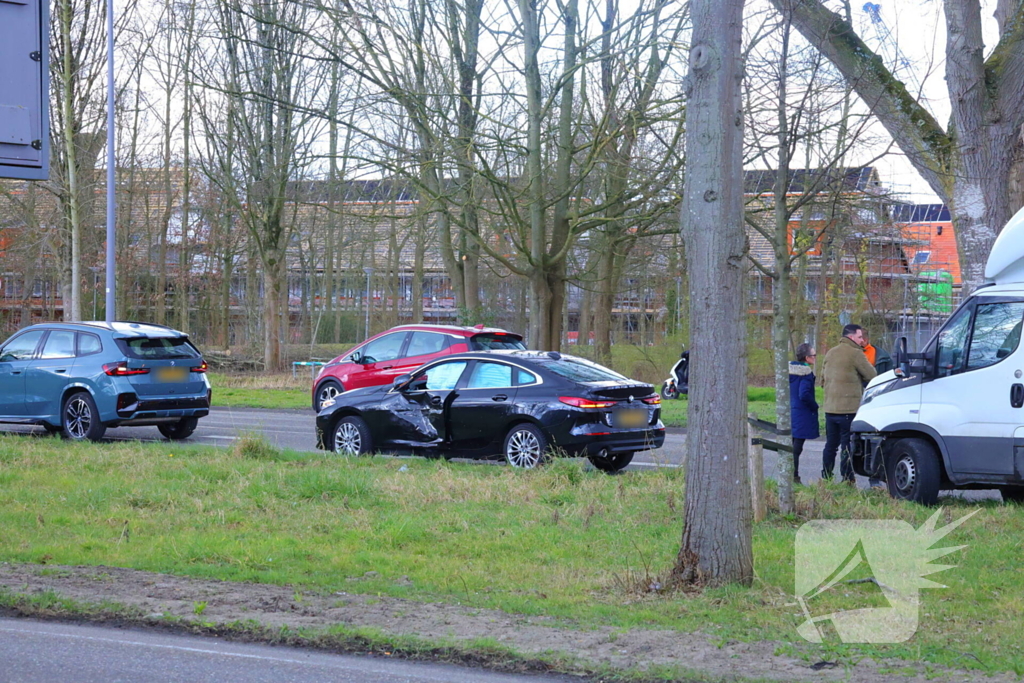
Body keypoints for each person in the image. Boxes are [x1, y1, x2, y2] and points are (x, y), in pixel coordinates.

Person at [821, 324, 877, 483]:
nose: (862, 340)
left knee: (830, 446)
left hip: (830, 408)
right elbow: (872, 375)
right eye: (860, 337)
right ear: (851, 337)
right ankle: (847, 479)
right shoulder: (856, 354)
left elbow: (822, 380)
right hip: (848, 409)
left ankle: (826, 477)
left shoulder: (830, 353)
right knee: (847, 445)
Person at [789, 343, 819, 485]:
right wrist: (815, 406)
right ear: (807, 358)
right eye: (814, 355)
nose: (815, 357)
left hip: (791, 411)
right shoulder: (805, 374)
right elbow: (804, 394)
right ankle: (794, 477)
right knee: (797, 447)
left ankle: (790, 475)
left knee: (791, 445)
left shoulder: (788, 371)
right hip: (802, 413)